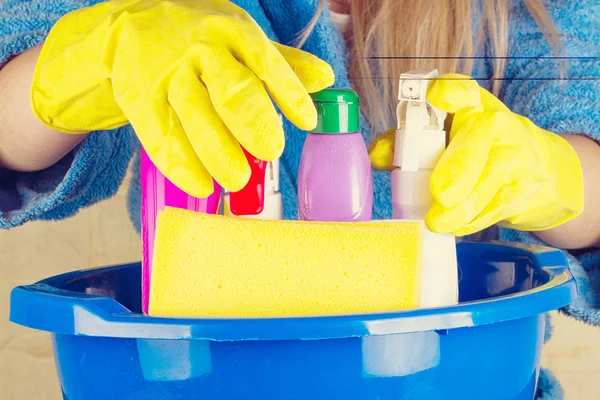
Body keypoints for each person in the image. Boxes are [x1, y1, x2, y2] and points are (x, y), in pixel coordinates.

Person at [0, 0, 598, 397]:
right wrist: (77, 67)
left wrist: (557, 175)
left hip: (455, 379)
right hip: (196, 376)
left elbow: (582, 124)